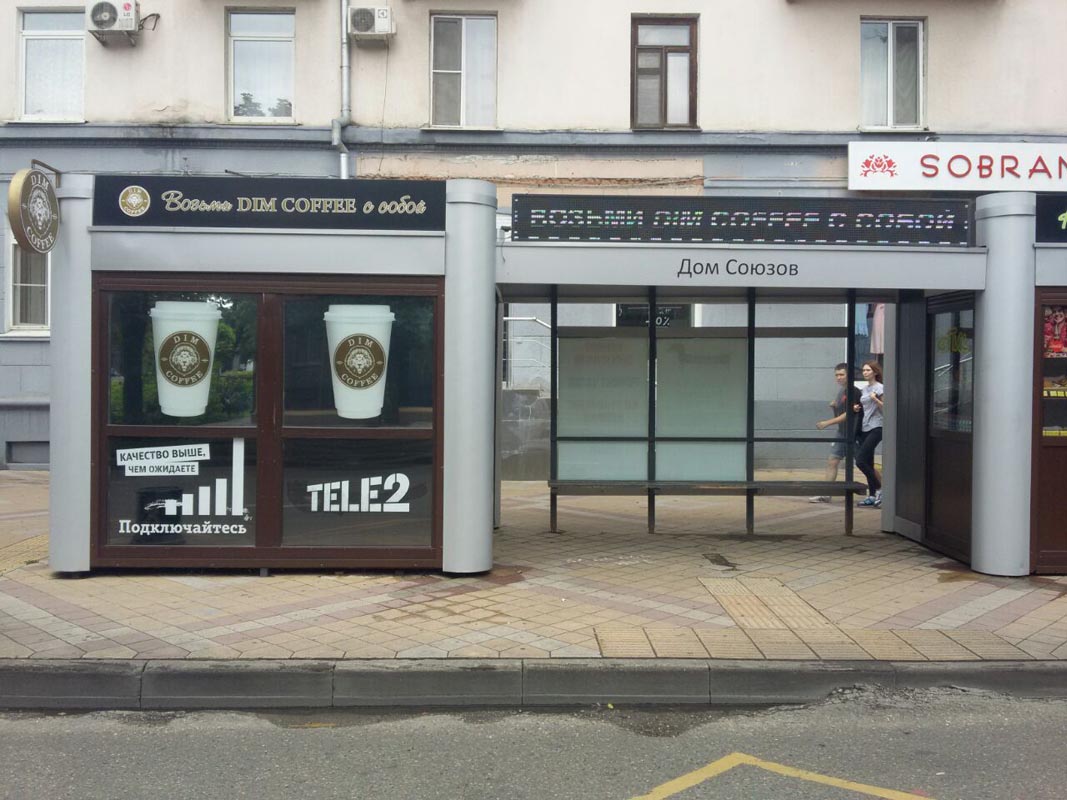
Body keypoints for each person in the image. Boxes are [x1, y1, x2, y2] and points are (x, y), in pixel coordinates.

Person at [809, 363, 859, 503]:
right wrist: (834, 407)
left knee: (864, 463)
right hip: (842, 432)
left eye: (841, 374)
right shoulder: (842, 391)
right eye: (836, 375)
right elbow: (841, 412)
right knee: (832, 461)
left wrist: (827, 423)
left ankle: (880, 490)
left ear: (849, 375)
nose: (838, 377)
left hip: (854, 434)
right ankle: (826, 494)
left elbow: (848, 414)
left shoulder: (853, 391)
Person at [853, 360, 884, 507]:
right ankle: (872, 496)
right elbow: (865, 407)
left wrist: (875, 399)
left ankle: (880, 488)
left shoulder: (880, 388)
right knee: (868, 462)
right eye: (864, 370)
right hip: (865, 428)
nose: (865, 372)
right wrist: (857, 408)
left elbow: (886, 407)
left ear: (875, 372)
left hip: (877, 427)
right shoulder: (865, 389)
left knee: (860, 460)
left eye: (868, 370)